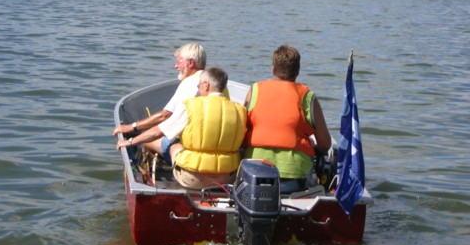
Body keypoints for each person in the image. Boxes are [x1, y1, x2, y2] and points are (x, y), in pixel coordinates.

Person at [117, 67, 247, 189]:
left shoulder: (191, 106)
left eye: (199, 85)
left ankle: (150, 172)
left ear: (206, 85)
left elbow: (158, 132)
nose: (199, 88)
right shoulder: (240, 111)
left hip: (192, 178)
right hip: (227, 178)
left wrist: (130, 141)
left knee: (169, 144)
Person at [243, 45, 332, 192]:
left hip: (255, 174)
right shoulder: (307, 97)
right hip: (295, 179)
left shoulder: (255, 91)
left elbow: (241, 131)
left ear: (273, 69)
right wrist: (311, 146)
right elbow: (325, 144)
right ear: (297, 71)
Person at [113, 43, 206, 164]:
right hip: (212, 146)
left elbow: (164, 116)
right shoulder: (214, 82)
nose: (175, 66)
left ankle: (149, 166)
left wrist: (131, 129)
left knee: (147, 141)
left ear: (190, 63)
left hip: (190, 147)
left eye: (179, 61)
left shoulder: (189, 84)